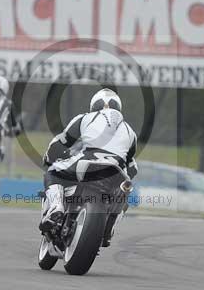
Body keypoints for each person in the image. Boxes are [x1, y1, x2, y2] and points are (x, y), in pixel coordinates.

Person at [39, 88, 138, 234]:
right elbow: (132, 167)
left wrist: (49, 158)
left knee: (53, 172)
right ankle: (109, 228)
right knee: (125, 192)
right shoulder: (130, 131)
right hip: (115, 170)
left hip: (88, 160)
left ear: (94, 106)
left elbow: (60, 143)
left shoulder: (85, 118)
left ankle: (56, 208)